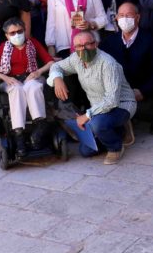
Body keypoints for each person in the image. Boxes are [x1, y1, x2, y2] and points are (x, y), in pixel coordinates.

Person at [48, 31, 137, 164]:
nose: (83, 49)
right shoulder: (75, 59)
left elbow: (111, 100)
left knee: (97, 124)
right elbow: (56, 66)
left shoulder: (107, 63)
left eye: (87, 44)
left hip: (120, 105)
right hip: (98, 108)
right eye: (79, 46)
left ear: (95, 44)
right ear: (75, 48)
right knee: (86, 151)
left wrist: (87, 115)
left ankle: (115, 147)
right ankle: (117, 131)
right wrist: (57, 79)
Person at [0, 17, 54, 156]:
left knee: (33, 87)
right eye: (12, 33)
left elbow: (50, 62)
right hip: (11, 81)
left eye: (19, 31)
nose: (16, 35)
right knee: (16, 90)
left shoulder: (33, 43)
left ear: (24, 30)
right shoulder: (4, 47)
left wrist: (38, 71)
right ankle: (19, 135)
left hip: (30, 77)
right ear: (6, 35)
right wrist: (5, 77)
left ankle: (40, 127)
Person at [100, 3, 153, 134]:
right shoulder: (109, 42)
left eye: (129, 15)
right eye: (121, 15)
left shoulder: (151, 40)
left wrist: (143, 91)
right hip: (119, 90)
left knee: (147, 111)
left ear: (138, 17)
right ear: (116, 18)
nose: (125, 19)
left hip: (143, 91)